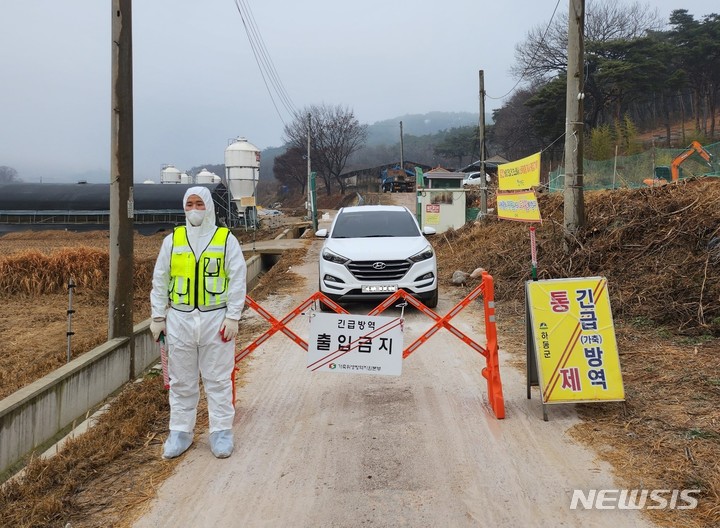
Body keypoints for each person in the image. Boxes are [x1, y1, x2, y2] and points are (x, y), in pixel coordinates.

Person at [150, 186, 247, 459]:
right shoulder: (173, 240)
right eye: (189, 204)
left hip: (215, 318)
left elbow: (238, 279)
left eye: (199, 204)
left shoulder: (225, 239)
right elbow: (160, 279)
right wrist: (158, 316)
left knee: (217, 379)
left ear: (209, 207)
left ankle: (221, 432)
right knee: (181, 381)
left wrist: (233, 316)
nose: (194, 209)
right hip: (179, 318)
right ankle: (180, 432)